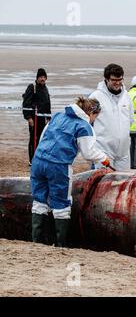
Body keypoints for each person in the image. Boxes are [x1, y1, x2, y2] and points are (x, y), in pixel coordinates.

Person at [30, 97, 110, 247]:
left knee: (39, 200)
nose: (94, 121)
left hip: (38, 160)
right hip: (58, 166)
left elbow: (42, 137)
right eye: (95, 117)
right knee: (62, 204)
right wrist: (104, 159)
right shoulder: (84, 126)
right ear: (92, 113)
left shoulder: (58, 116)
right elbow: (89, 153)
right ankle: (61, 243)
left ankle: (37, 241)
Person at [89, 63, 134, 170]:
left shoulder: (126, 96)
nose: (118, 83)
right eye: (114, 80)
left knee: (122, 182)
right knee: (103, 183)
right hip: (103, 150)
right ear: (106, 79)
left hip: (123, 152)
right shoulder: (96, 97)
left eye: (120, 79)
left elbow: (131, 119)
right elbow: (86, 122)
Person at [22, 68, 52, 166]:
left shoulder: (46, 89)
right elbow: (26, 103)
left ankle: (40, 157)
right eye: (41, 77)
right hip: (34, 119)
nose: (42, 79)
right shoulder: (32, 87)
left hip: (43, 120)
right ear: (37, 78)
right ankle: (32, 160)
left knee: (42, 138)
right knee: (33, 139)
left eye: (44, 77)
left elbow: (48, 104)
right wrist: (29, 118)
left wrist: (48, 119)